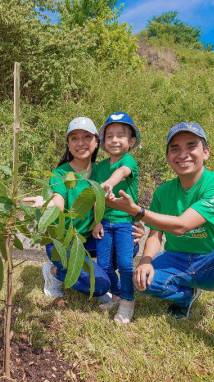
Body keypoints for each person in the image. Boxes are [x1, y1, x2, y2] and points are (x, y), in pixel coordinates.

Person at [106, 121, 214, 373]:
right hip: (177, 259)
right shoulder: (165, 191)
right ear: (168, 156)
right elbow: (156, 234)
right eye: (175, 148)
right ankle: (185, 296)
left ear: (206, 152)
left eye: (191, 146)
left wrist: (137, 211)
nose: (183, 154)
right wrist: (145, 260)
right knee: (141, 280)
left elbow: (180, 226)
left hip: (213, 261)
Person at [24, 117, 114, 302]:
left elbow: (112, 202)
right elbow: (59, 202)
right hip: (63, 242)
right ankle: (55, 272)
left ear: (97, 141)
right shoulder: (60, 174)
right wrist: (45, 202)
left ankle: (95, 271)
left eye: (86, 137)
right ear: (68, 143)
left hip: (87, 238)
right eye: (74, 138)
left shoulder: (102, 172)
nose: (80, 143)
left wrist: (134, 223)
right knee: (101, 286)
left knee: (129, 242)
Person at [91, 112, 141, 324]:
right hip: (104, 223)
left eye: (121, 135)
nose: (114, 140)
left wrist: (109, 183)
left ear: (131, 142)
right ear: (103, 142)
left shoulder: (128, 161)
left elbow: (121, 172)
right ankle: (117, 294)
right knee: (104, 264)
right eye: (109, 136)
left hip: (124, 224)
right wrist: (95, 221)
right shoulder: (99, 167)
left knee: (125, 264)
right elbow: (95, 197)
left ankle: (128, 302)